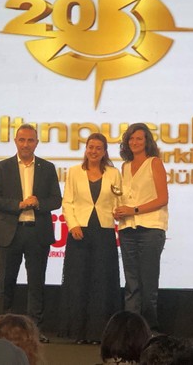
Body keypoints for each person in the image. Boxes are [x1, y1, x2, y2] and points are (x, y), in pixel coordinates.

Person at [0, 123, 62, 343]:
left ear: (37, 143)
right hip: (9, 232)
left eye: (30, 140)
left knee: (36, 285)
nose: (26, 144)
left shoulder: (47, 168)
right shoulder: (3, 167)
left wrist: (39, 203)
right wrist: (18, 205)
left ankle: (34, 330)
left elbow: (56, 200)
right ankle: (0, 330)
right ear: (15, 142)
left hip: (37, 233)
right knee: (6, 283)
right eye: (22, 140)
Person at [59, 132, 122, 344]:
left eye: (98, 148)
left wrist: (119, 213)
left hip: (104, 232)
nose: (93, 151)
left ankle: (98, 333)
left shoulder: (114, 173)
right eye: (90, 147)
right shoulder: (74, 172)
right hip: (79, 233)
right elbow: (67, 202)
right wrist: (73, 225)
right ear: (86, 149)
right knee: (78, 282)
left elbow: (118, 200)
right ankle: (78, 332)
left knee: (102, 282)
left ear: (104, 152)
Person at [114, 123, 169, 332]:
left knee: (148, 282)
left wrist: (134, 210)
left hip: (150, 228)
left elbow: (162, 198)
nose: (134, 142)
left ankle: (149, 329)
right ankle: (131, 329)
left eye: (139, 138)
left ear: (147, 141)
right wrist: (120, 211)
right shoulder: (125, 166)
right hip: (127, 228)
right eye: (131, 138)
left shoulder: (154, 163)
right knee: (131, 282)